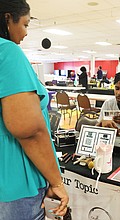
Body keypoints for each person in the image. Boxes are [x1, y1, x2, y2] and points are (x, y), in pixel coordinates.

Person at [0, 1, 69, 219]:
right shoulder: (8, 52)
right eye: (25, 24)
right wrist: (56, 180)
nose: (26, 33)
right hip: (16, 183)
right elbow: (28, 130)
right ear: (7, 19)